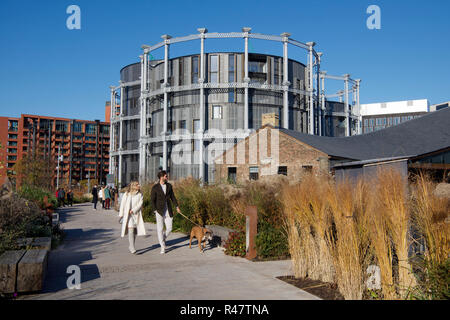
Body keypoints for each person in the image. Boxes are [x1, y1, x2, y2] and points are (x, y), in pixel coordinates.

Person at [150, 170, 181, 254]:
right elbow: (152, 200)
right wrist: (155, 210)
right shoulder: (155, 187)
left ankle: (162, 239)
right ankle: (162, 246)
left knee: (170, 228)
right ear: (161, 177)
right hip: (159, 211)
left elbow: (173, 197)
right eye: (166, 176)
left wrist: (177, 206)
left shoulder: (169, 186)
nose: (167, 177)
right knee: (160, 229)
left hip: (168, 210)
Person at [119, 181, 146, 254]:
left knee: (135, 232)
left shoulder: (140, 194)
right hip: (128, 215)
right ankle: (132, 247)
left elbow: (140, 203)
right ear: (133, 186)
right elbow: (122, 204)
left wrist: (133, 210)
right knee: (131, 230)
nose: (139, 185)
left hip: (136, 214)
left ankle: (131, 245)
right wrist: (121, 214)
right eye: (137, 184)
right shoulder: (127, 194)